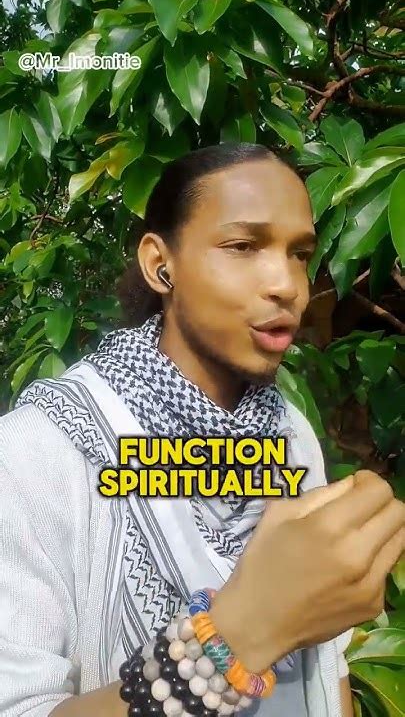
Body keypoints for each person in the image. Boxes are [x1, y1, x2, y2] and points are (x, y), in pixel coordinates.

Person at [0, 143, 404, 717]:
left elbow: (328, 662)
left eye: (299, 254)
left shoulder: (288, 434)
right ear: (160, 265)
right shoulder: (37, 452)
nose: (287, 285)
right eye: (243, 247)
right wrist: (239, 635)